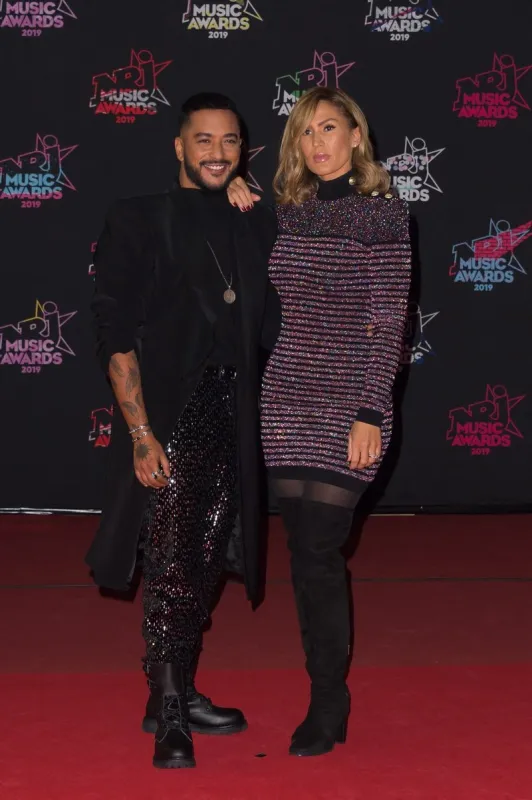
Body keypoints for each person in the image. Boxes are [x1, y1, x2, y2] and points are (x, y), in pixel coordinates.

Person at [85, 92, 280, 769]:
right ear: (178, 146)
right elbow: (114, 335)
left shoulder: (256, 223)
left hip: (239, 412)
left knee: (201, 558)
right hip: (174, 411)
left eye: (230, 142)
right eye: (203, 141)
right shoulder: (139, 219)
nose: (217, 153)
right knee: (173, 557)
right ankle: (168, 707)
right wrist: (142, 432)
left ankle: (177, 688)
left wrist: (259, 213)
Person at [229, 86, 411, 757]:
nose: (318, 143)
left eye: (329, 128)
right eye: (306, 132)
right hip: (285, 398)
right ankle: (324, 690)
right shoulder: (286, 212)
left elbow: (389, 319)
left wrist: (371, 409)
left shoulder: (384, 215)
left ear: (356, 136)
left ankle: (329, 699)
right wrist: (239, 208)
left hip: (349, 402)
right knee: (304, 553)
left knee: (318, 552)